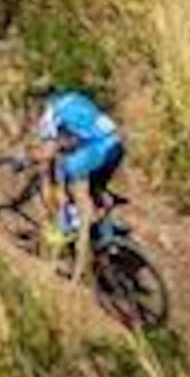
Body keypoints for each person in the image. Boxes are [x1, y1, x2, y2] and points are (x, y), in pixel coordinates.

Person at [30, 88, 125, 285]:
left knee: (75, 185)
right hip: (116, 144)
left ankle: (78, 255)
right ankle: (109, 241)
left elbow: (47, 154)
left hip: (97, 149)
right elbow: (82, 128)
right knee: (96, 188)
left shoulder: (50, 114)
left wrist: (29, 157)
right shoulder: (74, 97)